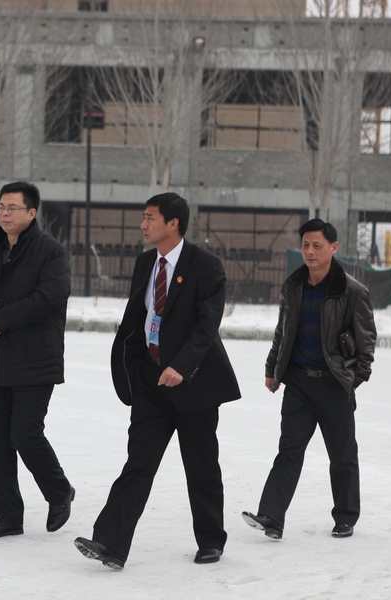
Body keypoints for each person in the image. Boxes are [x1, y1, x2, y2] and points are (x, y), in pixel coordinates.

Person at [74, 193, 241, 570]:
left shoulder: (205, 265)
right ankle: (110, 543)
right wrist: (135, 364)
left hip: (193, 382)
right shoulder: (145, 263)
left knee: (201, 466)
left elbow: (207, 325)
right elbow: (140, 316)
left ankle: (211, 540)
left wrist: (181, 365)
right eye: (143, 217)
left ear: (173, 224)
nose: (143, 224)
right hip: (151, 381)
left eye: (150, 218)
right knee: (138, 462)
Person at [242, 218, 377, 540]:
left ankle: (345, 517)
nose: (310, 251)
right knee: (288, 451)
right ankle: (271, 517)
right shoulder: (293, 287)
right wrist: (272, 368)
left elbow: (367, 342)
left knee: (342, 456)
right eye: (305, 245)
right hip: (299, 385)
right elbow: (283, 332)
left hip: (334, 385)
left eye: (317, 245)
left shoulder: (352, 291)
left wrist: (353, 379)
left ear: (334, 247)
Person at [0, 181, 74, 539]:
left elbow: (51, 296)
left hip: (34, 360)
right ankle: (8, 514)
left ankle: (59, 491)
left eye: (13, 208)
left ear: (31, 212)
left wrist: (5, 318)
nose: (5, 214)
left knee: (25, 434)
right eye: (1, 207)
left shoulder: (50, 252)